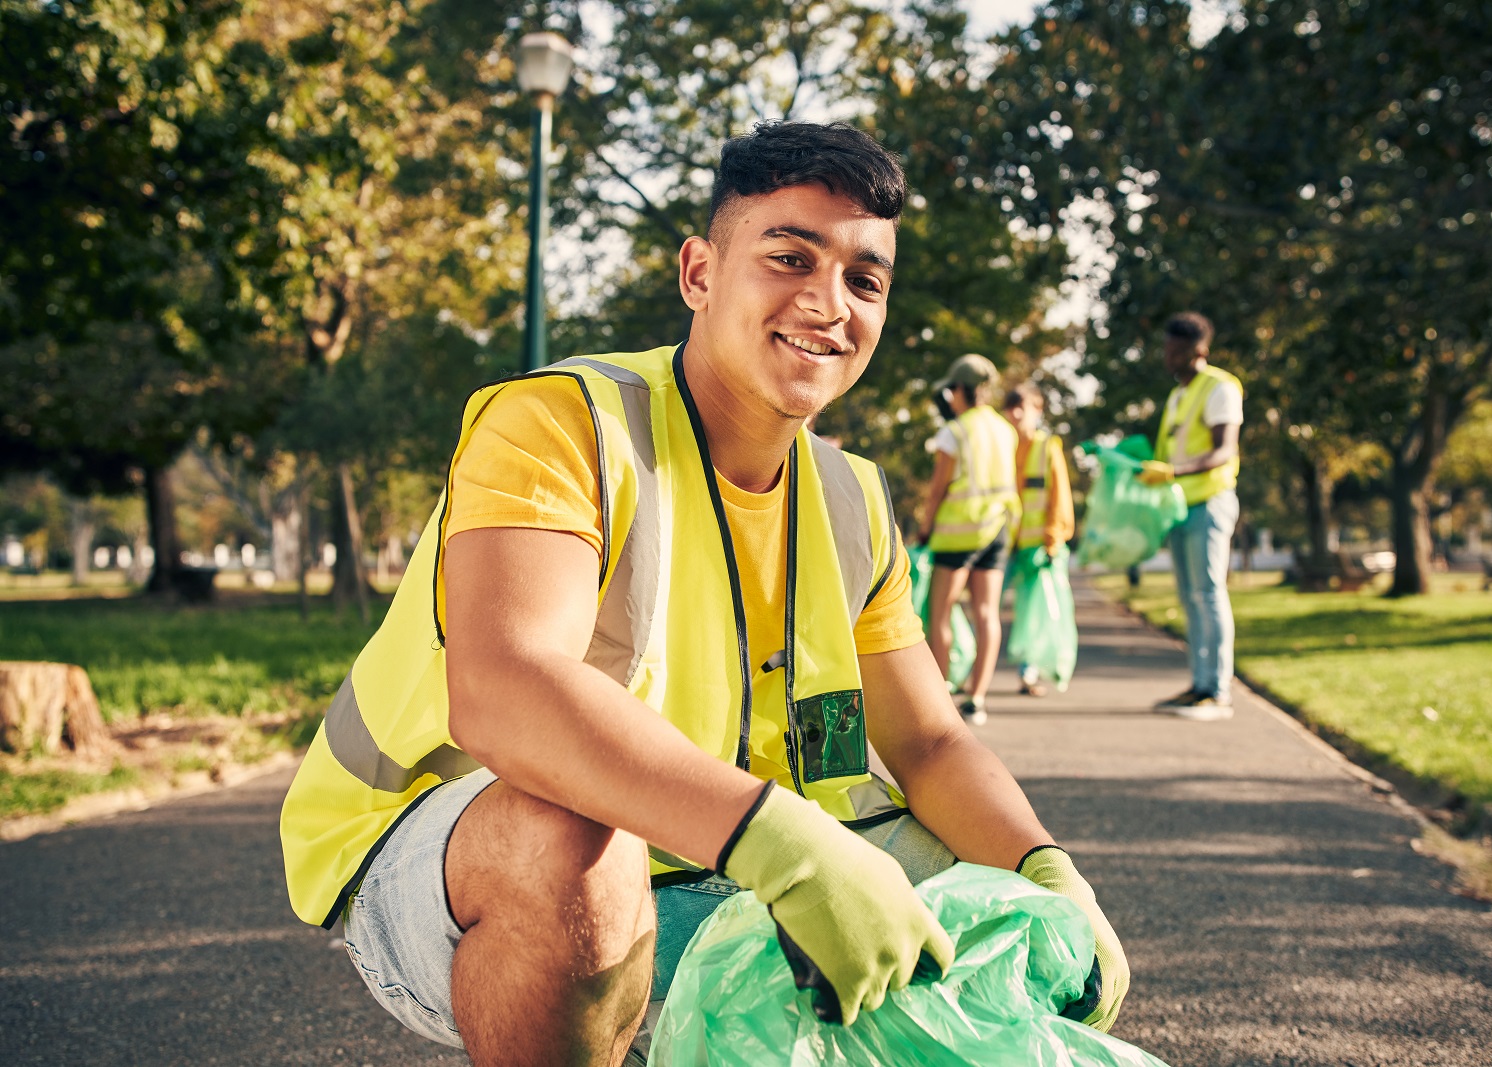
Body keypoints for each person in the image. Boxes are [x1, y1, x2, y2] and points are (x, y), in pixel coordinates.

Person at [278, 121, 1129, 1066]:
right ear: (699, 274)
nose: (827, 302)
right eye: (789, 256)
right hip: (449, 856)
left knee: (1008, 940)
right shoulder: (565, 424)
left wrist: (1045, 873)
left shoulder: (852, 497)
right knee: (572, 841)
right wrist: (789, 847)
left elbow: (929, 742)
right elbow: (506, 686)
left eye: (864, 278)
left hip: (718, 860)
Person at [1138, 312, 1243, 721]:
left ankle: (1218, 692)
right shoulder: (1179, 395)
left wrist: (1174, 472)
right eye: (1166, 349)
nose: (1168, 357)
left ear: (1199, 351)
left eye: (1176, 351)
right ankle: (1200, 684)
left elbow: (1224, 450)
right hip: (1180, 507)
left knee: (1210, 593)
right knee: (1190, 598)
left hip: (1210, 502)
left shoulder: (1220, 387)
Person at [916, 354, 1020, 726]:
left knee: (939, 612)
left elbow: (938, 489)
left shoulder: (954, 432)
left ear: (959, 390)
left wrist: (925, 528)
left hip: (958, 533)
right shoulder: (1004, 429)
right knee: (987, 613)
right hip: (998, 530)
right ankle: (976, 697)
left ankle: (941, 695)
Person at [1002, 382, 1075, 697]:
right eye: (1011, 407)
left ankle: (1029, 674)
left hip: (1041, 549)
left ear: (1038, 411)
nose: (1016, 414)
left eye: (1024, 407)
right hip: (1008, 546)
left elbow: (1060, 498)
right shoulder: (1003, 449)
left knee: (1037, 614)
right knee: (989, 609)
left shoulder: (1048, 447)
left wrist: (1052, 541)